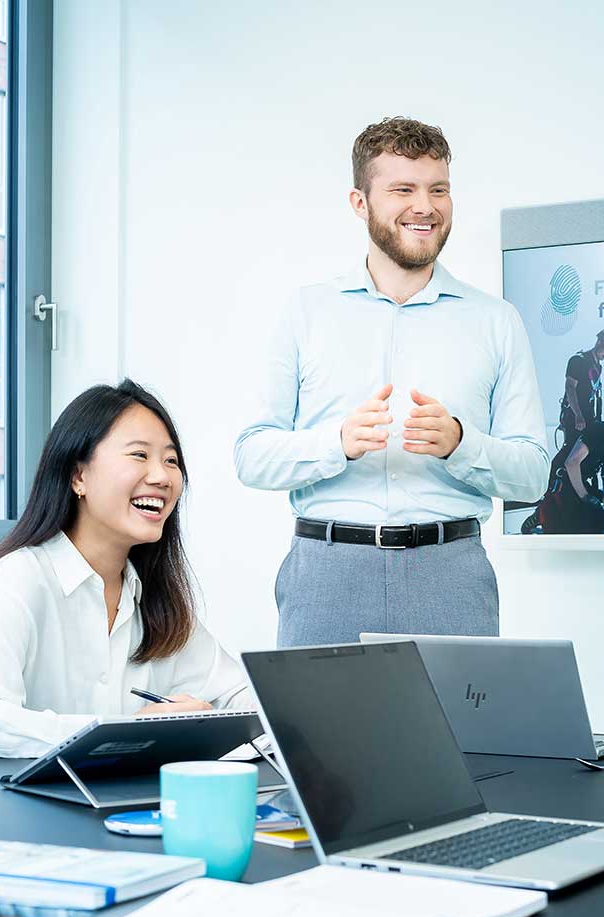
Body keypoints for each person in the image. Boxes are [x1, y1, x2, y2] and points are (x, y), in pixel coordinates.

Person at [234, 116, 547, 646]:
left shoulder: (496, 320)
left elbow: (534, 475)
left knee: (458, 732)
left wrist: (461, 444)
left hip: (451, 576)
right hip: (326, 575)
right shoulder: (306, 311)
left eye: (438, 189)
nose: (425, 206)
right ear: (360, 202)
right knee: (321, 731)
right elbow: (251, 456)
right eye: (403, 189)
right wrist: (337, 443)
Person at [0, 380, 253, 761]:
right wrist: (128, 731)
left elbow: (244, 698)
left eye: (171, 461)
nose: (162, 476)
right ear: (78, 476)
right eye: (139, 455)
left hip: (122, 807)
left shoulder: (153, 599)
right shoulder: (19, 578)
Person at [559, 328, 604, 447]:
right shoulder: (578, 360)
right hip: (575, 416)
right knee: (570, 450)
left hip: (588, 416)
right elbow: (570, 387)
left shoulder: (598, 367)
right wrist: (578, 414)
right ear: (599, 342)